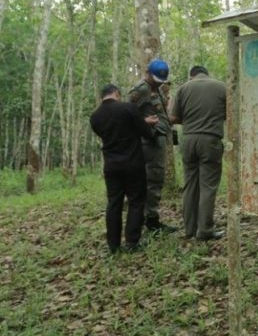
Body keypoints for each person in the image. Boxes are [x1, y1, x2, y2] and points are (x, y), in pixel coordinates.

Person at [90, 84, 159, 253]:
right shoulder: (128, 108)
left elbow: (114, 131)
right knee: (136, 202)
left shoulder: (95, 117)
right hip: (133, 163)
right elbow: (145, 133)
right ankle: (132, 242)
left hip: (111, 165)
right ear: (116, 94)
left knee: (114, 203)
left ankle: (113, 245)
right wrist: (148, 125)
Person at [169, 65, 227, 241]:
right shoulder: (221, 87)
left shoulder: (183, 89)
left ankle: (189, 229)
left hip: (189, 140)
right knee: (207, 187)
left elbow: (172, 118)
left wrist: (190, 120)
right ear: (206, 73)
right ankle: (205, 230)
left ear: (191, 75)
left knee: (190, 185)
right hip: (210, 140)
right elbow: (231, 113)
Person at [128, 58, 177, 233]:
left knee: (156, 178)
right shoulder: (140, 89)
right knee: (153, 179)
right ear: (147, 73)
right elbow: (127, 115)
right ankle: (150, 220)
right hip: (150, 140)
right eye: (155, 79)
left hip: (160, 137)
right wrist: (145, 122)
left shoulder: (156, 87)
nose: (158, 83)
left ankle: (150, 217)